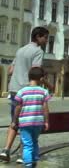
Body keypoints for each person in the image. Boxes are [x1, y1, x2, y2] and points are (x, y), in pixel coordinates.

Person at [0, 27, 48, 163]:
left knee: (14, 121)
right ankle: (23, 155)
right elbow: (35, 71)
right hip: (27, 90)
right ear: (38, 37)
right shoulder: (38, 51)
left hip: (14, 90)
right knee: (27, 122)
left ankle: (6, 150)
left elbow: (10, 71)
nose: (46, 40)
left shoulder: (20, 50)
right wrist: (46, 82)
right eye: (45, 37)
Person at [10, 67, 50, 168]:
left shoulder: (22, 91)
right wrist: (46, 122)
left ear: (29, 77)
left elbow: (17, 107)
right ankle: (34, 160)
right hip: (38, 122)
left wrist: (14, 121)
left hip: (25, 123)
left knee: (27, 143)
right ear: (41, 79)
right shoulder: (43, 91)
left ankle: (28, 164)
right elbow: (45, 108)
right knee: (35, 141)